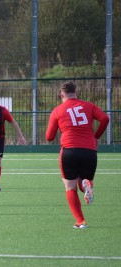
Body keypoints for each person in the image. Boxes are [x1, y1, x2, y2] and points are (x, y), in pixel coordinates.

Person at [45, 81, 109, 229]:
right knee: (84, 180)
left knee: (70, 187)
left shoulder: (58, 110)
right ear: (76, 92)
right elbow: (105, 119)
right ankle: (87, 185)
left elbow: (49, 137)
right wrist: (96, 136)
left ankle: (81, 221)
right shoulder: (88, 106)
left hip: (70, 151)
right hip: (89, 151)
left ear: (62, 94)